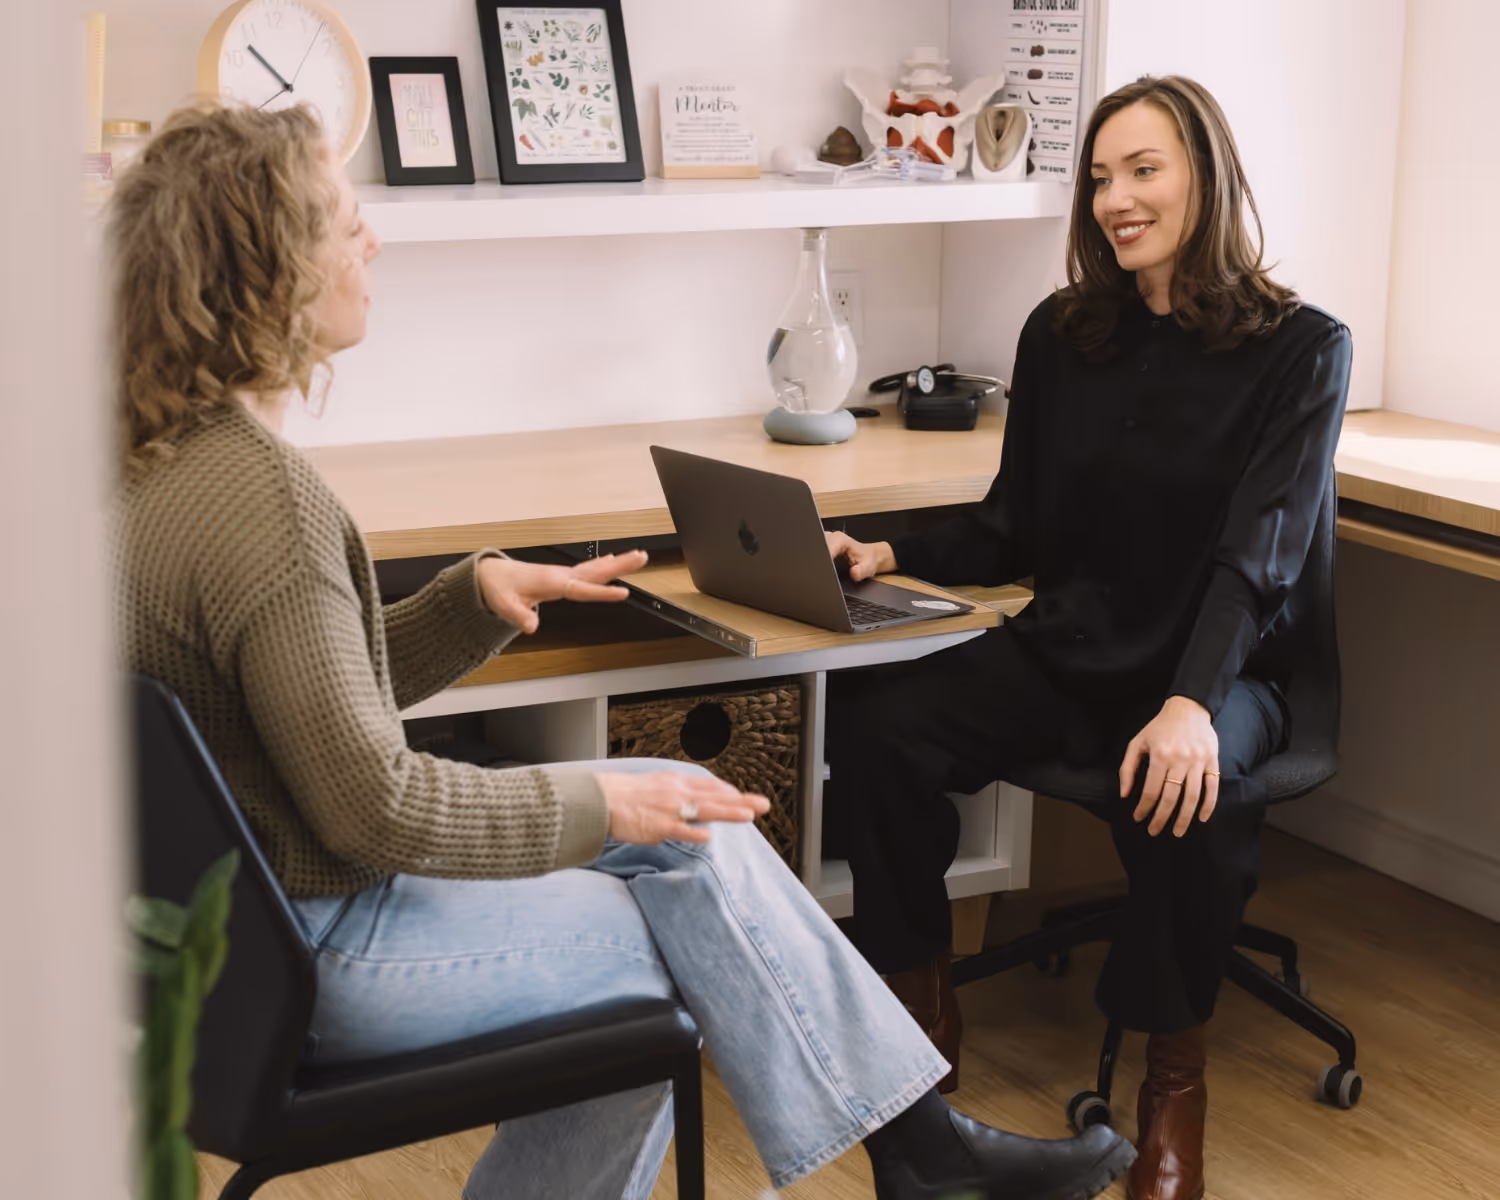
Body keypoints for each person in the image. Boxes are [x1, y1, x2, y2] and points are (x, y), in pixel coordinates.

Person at [108, 103, 1135, 1200]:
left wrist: (466, 603)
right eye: (348, 223)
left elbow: (293, 714)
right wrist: (607, 810)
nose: (372, 244)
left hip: (221, 954)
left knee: (678, 812)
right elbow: (377, 808)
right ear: (269, 267)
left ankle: (921, 1153)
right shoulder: (263, 503)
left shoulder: (146, 465)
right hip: (323, 950)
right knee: (674, 899)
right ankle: (923, 1157)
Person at [823, 75, 1352, 1200]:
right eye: (1102, 177)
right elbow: (1014, 526)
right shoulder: (1065, 335)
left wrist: (1193, 704)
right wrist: (887, 552)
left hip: (1222, 667)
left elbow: (1257, 558)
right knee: (880, 733)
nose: (1117, 199)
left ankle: (1172, 1095)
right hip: (1079, 645)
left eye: (1144, 170)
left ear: (1205, 174)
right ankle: (921, 1057)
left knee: (1187, 788)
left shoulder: (1302, 348)